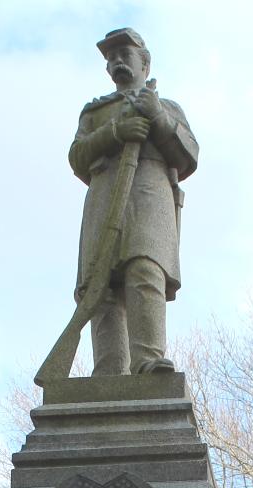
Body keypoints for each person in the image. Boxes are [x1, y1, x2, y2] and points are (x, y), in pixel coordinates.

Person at [69, 28, 198, 376]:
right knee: (101, 287)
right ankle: (109, 373)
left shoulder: (166, 107)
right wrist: (115, 133)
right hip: (104, 195)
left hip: (148, 193)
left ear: (145, 61)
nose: (116, 62)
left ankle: (148, 361)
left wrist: (156, 117)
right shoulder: (96, 112)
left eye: (124, 54)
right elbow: (78, 157)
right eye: (111, 58)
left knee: (145, 270)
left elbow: (189, 155)